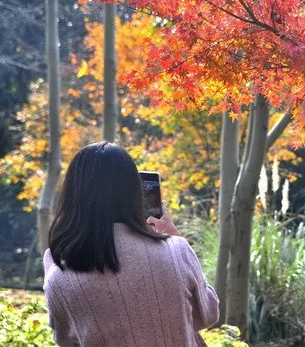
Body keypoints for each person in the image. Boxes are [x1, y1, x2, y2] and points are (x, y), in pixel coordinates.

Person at [42, 141, 219, 347]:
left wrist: (52, 277)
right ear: (135, 192)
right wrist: (173, 235)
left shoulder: (59, 278)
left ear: (72, 197)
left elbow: (66, 341)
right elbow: (209, 313)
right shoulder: (177, 250)